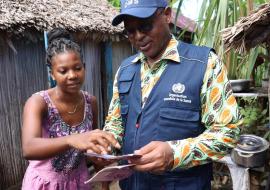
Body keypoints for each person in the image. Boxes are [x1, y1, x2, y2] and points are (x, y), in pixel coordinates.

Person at [104, 0, 242, 189]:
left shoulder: (204, 64)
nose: (138, 37)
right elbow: (116, 123)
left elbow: (228, 131)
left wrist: (175, 153)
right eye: (130, 31)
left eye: (145, 26)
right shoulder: (125, 69)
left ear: (167, 15)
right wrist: (106, 144)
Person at [21, 28, 120, 190]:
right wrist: (71, 139)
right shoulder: (38, 102)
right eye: (63, 71)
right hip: (45, 184)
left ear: (84, 67)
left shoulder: (90, 102)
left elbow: (92, 148)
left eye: (77, 68)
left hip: (79, 182)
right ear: (52, 73)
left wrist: (104, 179)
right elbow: (29, 148)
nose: (72, 75)